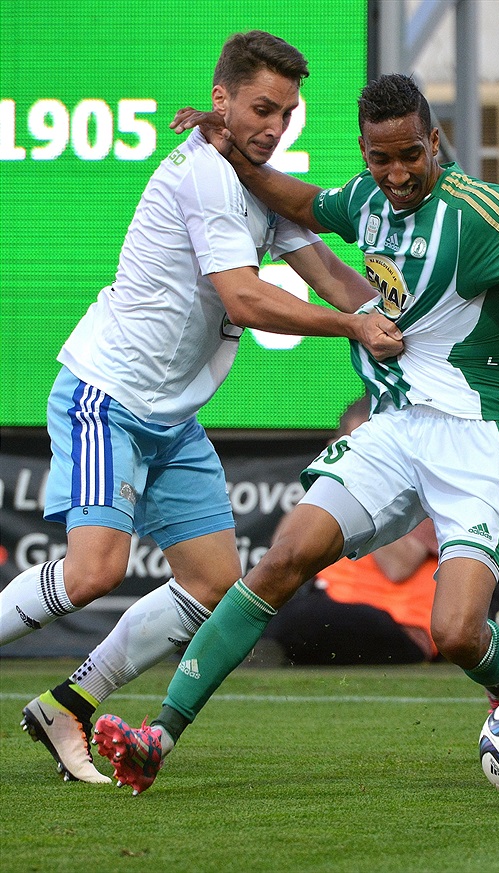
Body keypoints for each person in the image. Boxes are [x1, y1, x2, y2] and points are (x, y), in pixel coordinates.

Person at [94, 73, 499, 794]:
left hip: (480, 441)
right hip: (394, 429)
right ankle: (159, 734)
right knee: (281, 559)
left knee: (457, 633)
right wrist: (233, 153)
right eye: (381, 158)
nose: (397, 174)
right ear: (365, 152)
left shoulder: (478, 212)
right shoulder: (367, 198)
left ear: (434, 142)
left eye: (410, 155)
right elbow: (303, 202)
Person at [0, 32, 402, 785]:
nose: (274, 126)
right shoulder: (205, 177)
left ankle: (72, 701)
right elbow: (245, 299)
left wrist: (403, 319)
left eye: (285, 113)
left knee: (215, 582)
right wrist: (354, 326)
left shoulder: (255, 180)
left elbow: (330, 274)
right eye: (260, 108)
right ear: (221, 100)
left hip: (173, 418)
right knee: (93, 572)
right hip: (107, 396)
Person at [261, 395, 439, 665]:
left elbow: (399, 566)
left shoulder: (421, 496)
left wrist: (366, 483)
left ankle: (265, 646)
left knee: (307, 617)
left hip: (401, 627)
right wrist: (329, 479)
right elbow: (284, 550)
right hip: (330, 610)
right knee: (269, 608)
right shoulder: (335, 493)